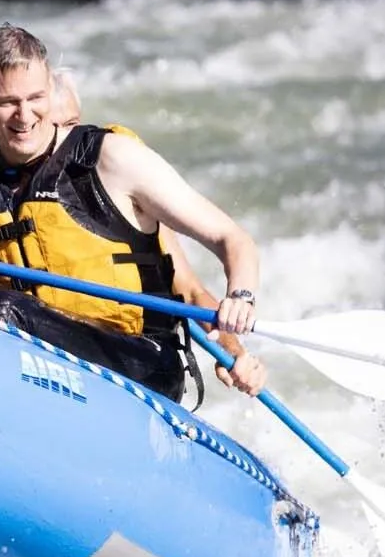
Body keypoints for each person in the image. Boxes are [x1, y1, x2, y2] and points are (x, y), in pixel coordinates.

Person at [0, 25, 259, 401]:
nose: (25, 116)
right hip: (34, 375)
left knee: (3, 310)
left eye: (36, 98)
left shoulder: (112, 160)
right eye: (8, 103)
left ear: (50, 91)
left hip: (139, 368)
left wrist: (241, 299)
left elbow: (231, 239)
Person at [46, 68, 266, 398]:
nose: (66, 138)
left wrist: (233, 351)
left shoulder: (111, 188)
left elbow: (191, 293)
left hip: (125, 367)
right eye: (54, 127)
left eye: (71, 124)